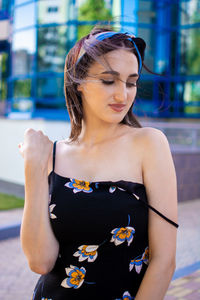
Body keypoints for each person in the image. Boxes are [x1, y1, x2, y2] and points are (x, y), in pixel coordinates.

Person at [18, 25, 179, 300]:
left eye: (131, 82)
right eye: (108, 80)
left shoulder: (149, 144)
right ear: (78, 81)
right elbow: (40, 262)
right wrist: (33, 168)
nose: (123, 95)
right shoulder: (52, 155)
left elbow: (164, 262)